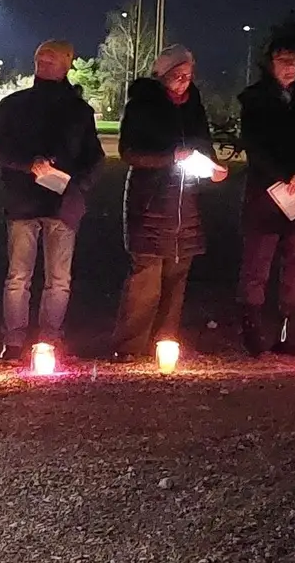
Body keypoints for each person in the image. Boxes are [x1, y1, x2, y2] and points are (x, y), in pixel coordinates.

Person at [0, 39, 103, 361]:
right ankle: (14, 341)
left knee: (59, 279)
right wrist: (26, 165)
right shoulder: (14, 105)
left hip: (62, 205)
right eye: (40, 59)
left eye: (51, 60)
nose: (43, 64)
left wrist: (77, 186)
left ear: (67, 64)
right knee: (18, 276)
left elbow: (94, 156)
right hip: (22, 202)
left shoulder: (79, 111)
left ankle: (50, 337)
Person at [108, 45, 227, 363]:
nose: (184, 81)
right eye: (177, 75)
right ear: (162, 75)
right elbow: (129, 152)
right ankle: (131, 346)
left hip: (185, 202)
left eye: (189, 75)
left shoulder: (194, 105)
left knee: (177, 274)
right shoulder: (143, 105)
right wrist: (169, 158)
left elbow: (203, 142)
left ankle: (164, 344)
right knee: (146, 277)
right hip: (150, 201)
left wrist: (213, 167)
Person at [236, 40, 295, 356]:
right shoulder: (254, 100)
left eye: (294, 61)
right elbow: (255, 145)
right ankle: (253, 333)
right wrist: (284, 174)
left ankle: (290, 334)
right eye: (282, 61)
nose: (289, 67)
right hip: (266, 194)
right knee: (257, 266)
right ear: (270, 64)